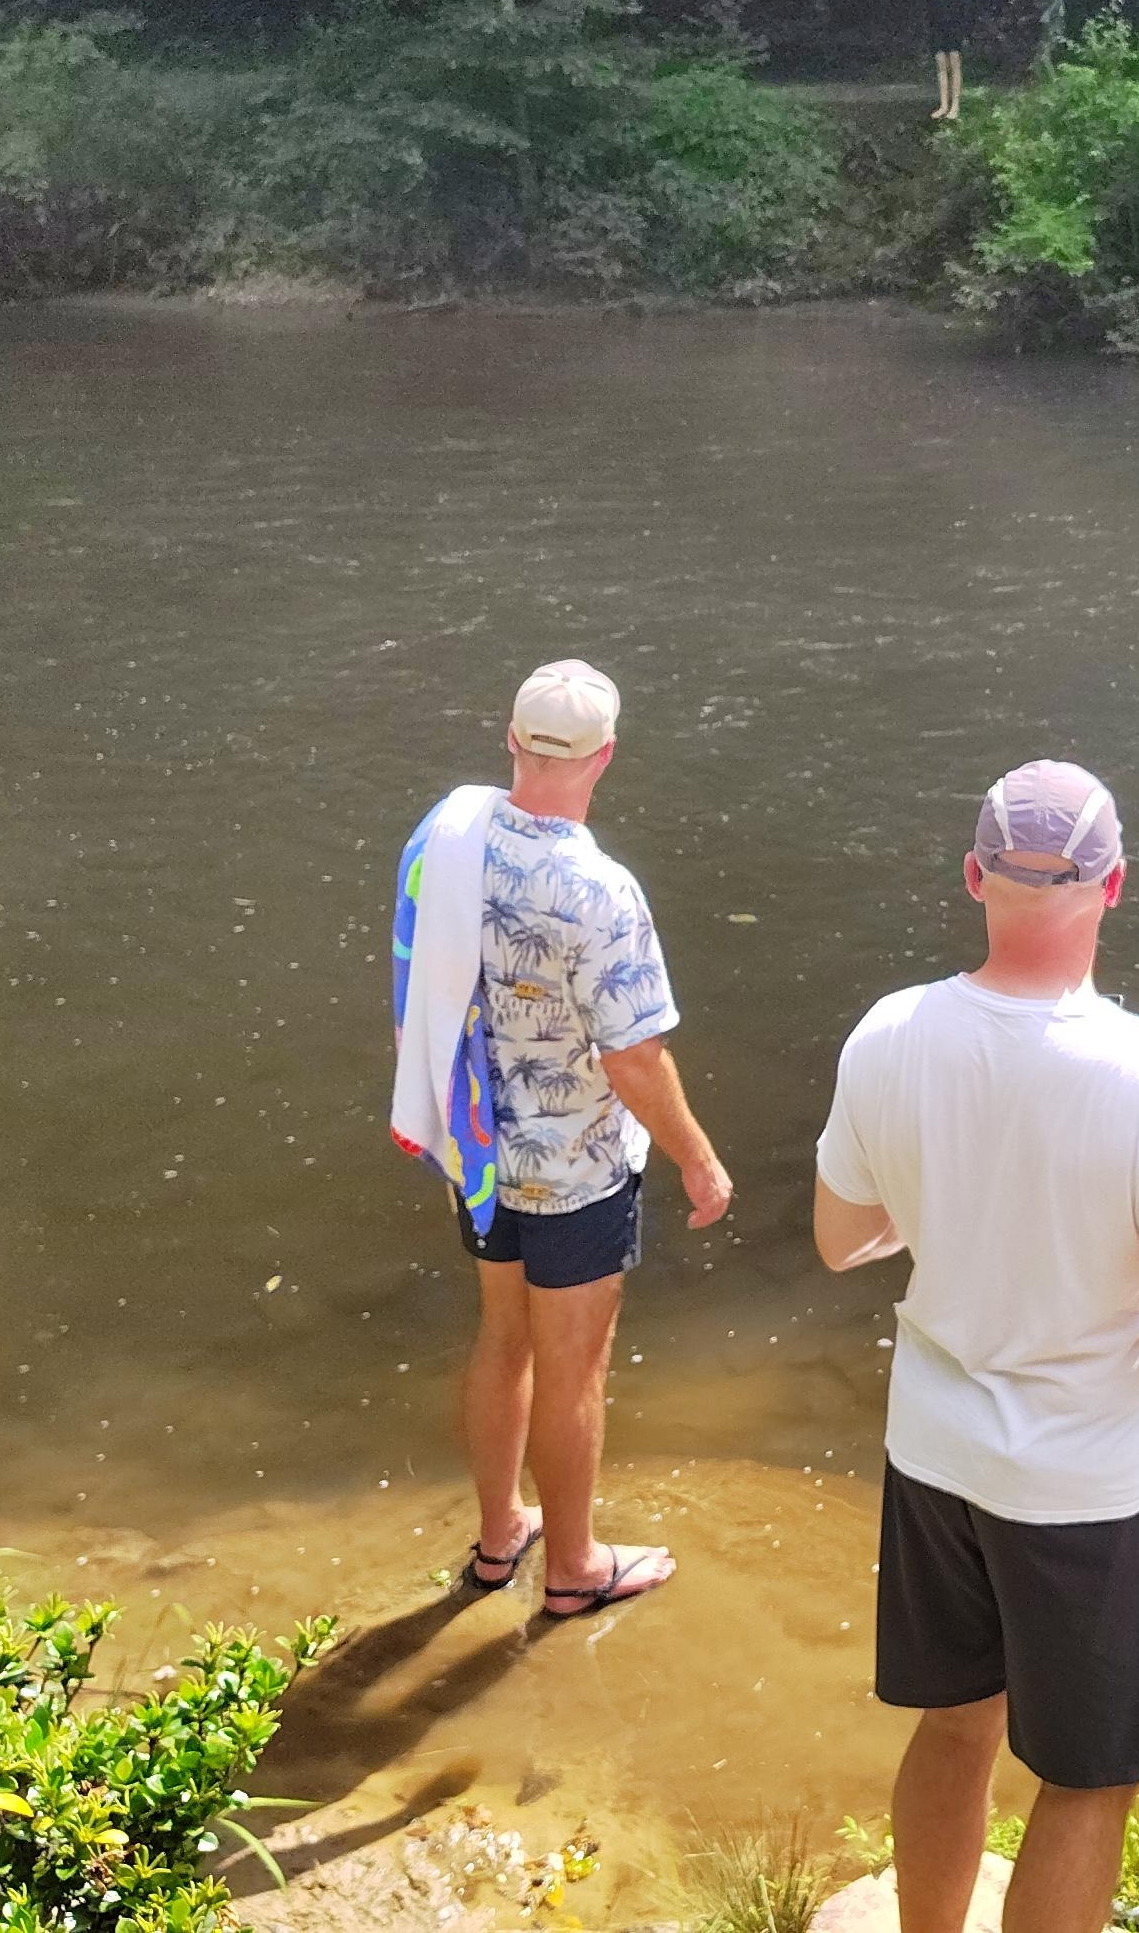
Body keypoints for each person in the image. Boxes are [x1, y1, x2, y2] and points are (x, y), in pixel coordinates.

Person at [811, 760, 1139, 1933]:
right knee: (1088, 1773)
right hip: (1087, 1487)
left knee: (955, 1721)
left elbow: (841, 1234)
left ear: (973, 876)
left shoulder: (889, 1031)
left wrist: (950, 1198)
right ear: (1115, 883)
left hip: (936, 1455)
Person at [387, 660, 738, 1621]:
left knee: (503, 1340)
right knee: (574, 1365)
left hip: (479, 1153)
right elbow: (633, 1059)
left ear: (511, 739)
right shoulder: (600, 891)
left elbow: (415, 975)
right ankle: (576, 1567)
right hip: (576, 1169)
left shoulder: (446, 836)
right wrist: (700, 1159)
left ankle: (502, 1536)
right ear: (606, 757)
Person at [915, 0, 970, 121]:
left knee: (954, 64)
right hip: (937, 24)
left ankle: (955, 105)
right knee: (940, 66)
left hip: (954, 24)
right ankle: (943, 105)